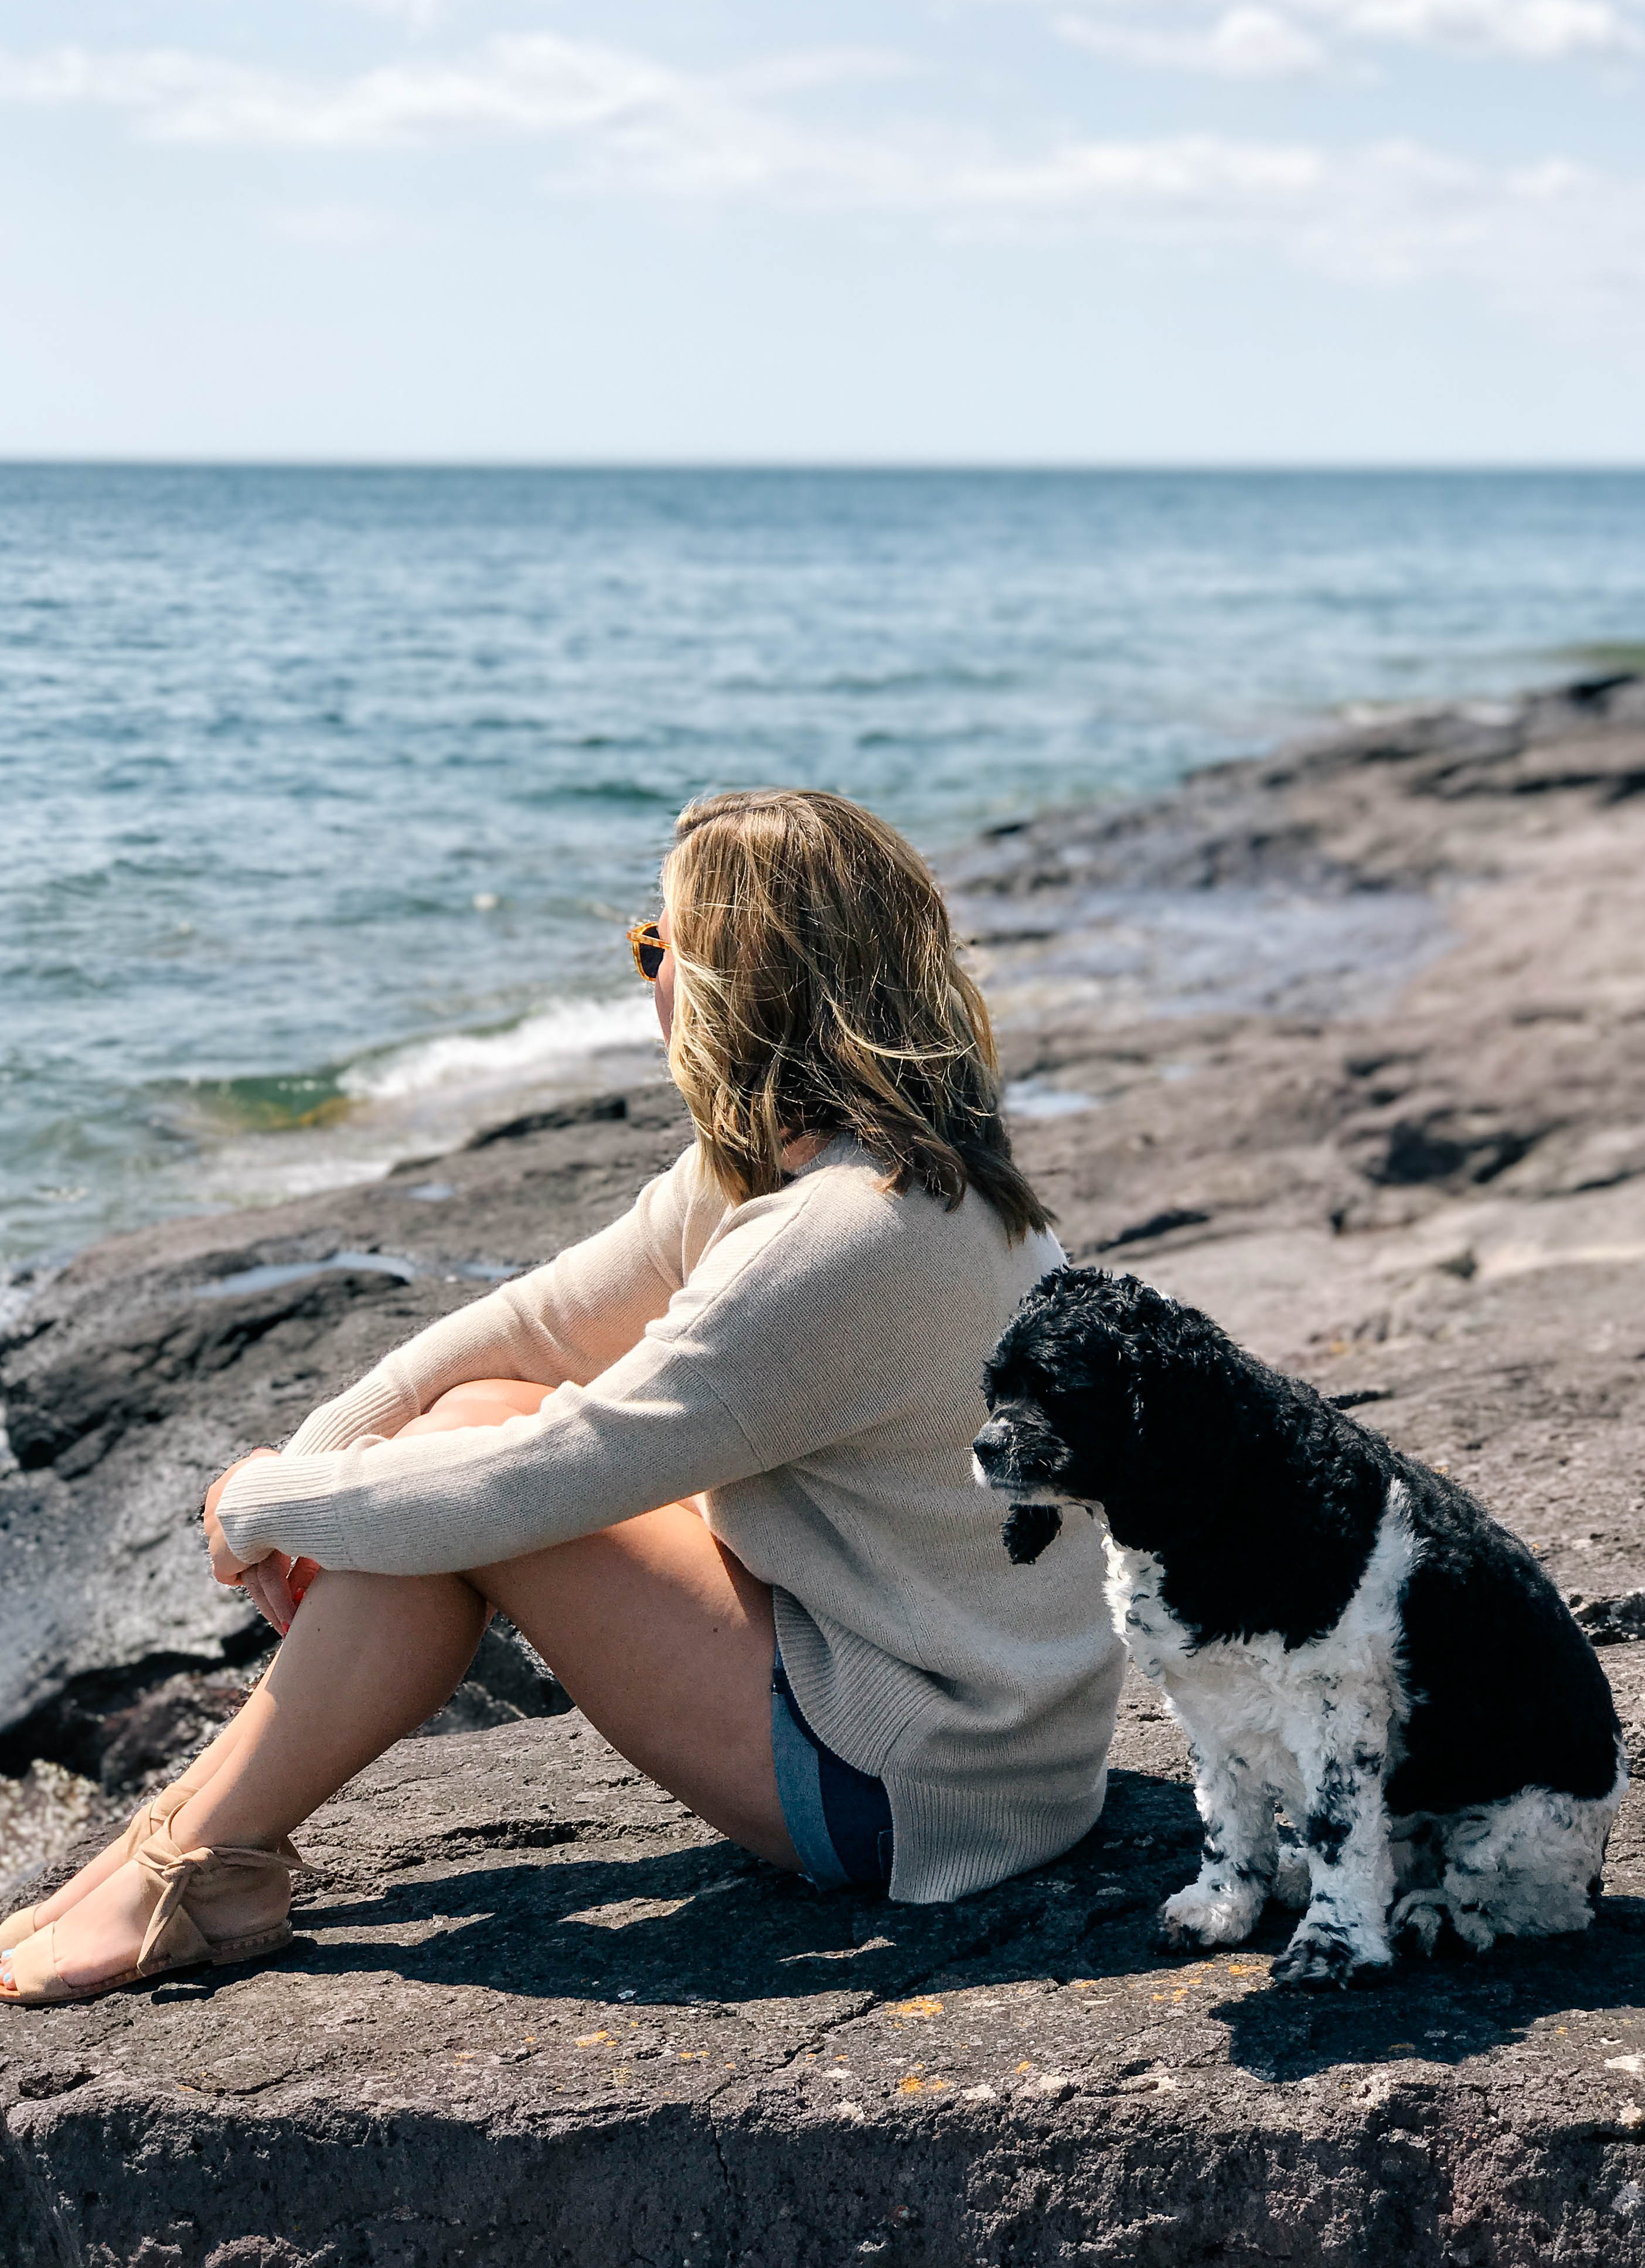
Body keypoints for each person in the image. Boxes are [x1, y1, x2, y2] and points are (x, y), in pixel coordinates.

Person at [1, 789, 1122, 2006]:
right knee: (463, 1429)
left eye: (659, 948)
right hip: (975, 1719)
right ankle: (180, 1850)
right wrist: (328, 1448)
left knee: (471, 1481)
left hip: (923, 1781)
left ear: (733, 981)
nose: (647, 975)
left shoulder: (840, 1240)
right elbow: (534, 1324)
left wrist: (270, 1503)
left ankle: (190, 1866)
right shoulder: (851, 1172)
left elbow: (537, 1480)